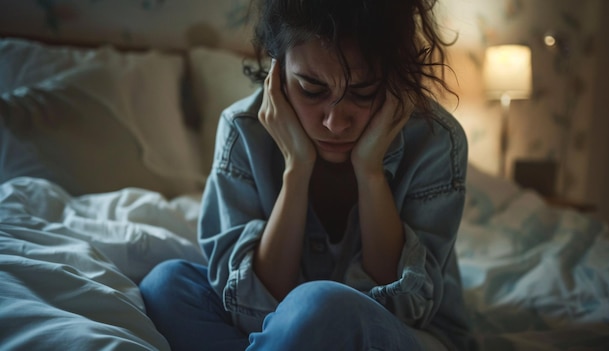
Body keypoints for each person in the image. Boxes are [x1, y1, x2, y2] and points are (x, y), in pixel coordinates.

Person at [140, 0, 474, 350]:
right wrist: (296, 169)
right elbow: (251, 306)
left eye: (364, 93)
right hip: (285, 321)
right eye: (311, 90)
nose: (335, 122)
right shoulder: (244, 131)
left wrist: (370, 172)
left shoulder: (436, 141)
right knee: (166, 284)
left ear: (393, 80)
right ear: (277, 73)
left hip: (405, 334)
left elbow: (405, 309)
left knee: (320, 306)